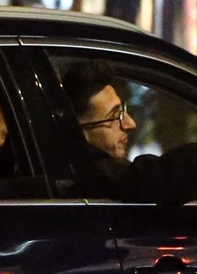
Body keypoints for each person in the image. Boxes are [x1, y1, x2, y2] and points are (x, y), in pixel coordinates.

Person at [62, 60, 197, 204]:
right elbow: (150, 180)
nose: (130, 124)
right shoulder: (89, 177)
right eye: (114, 116)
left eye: (123, 111)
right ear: (80, 129)